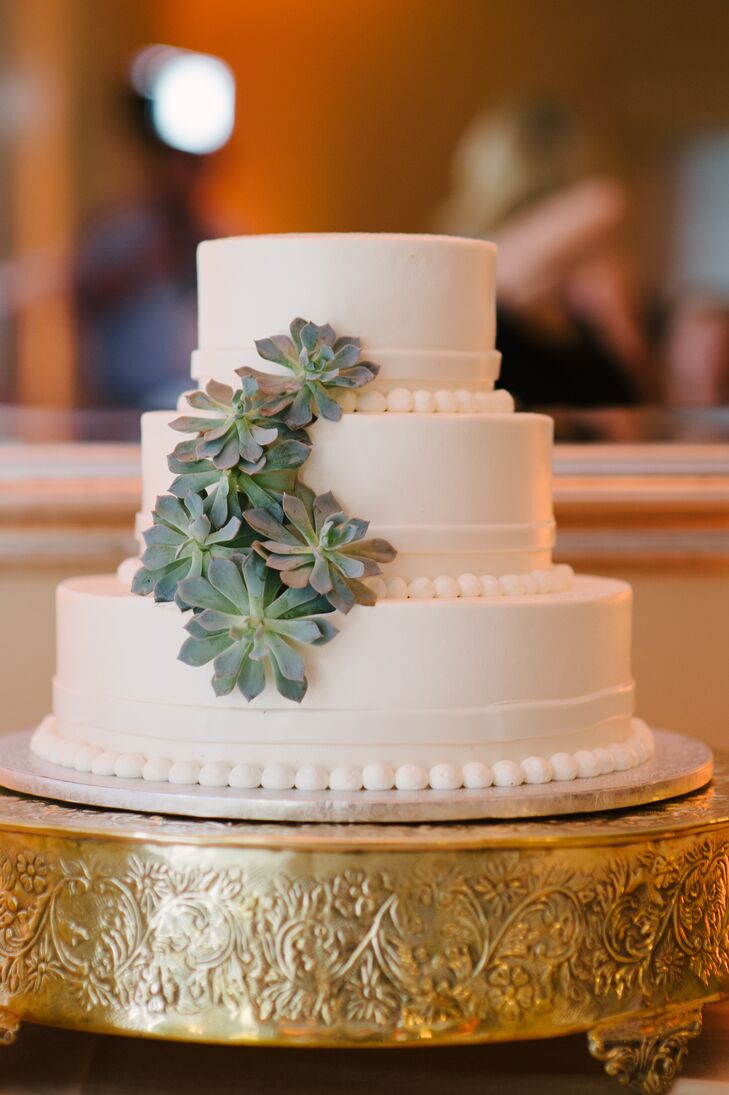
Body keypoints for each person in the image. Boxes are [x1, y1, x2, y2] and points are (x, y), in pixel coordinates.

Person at [433, 100, 656, 407]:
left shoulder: (582, 318)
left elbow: (638, 415)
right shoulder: (479, 285)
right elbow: (606, 200)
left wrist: (617, 317)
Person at [74, 93, 221, 410]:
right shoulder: (118, 227)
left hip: (189, 388)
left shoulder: (217, 230)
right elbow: (82, 298)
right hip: (120, 390)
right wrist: (144, 265)